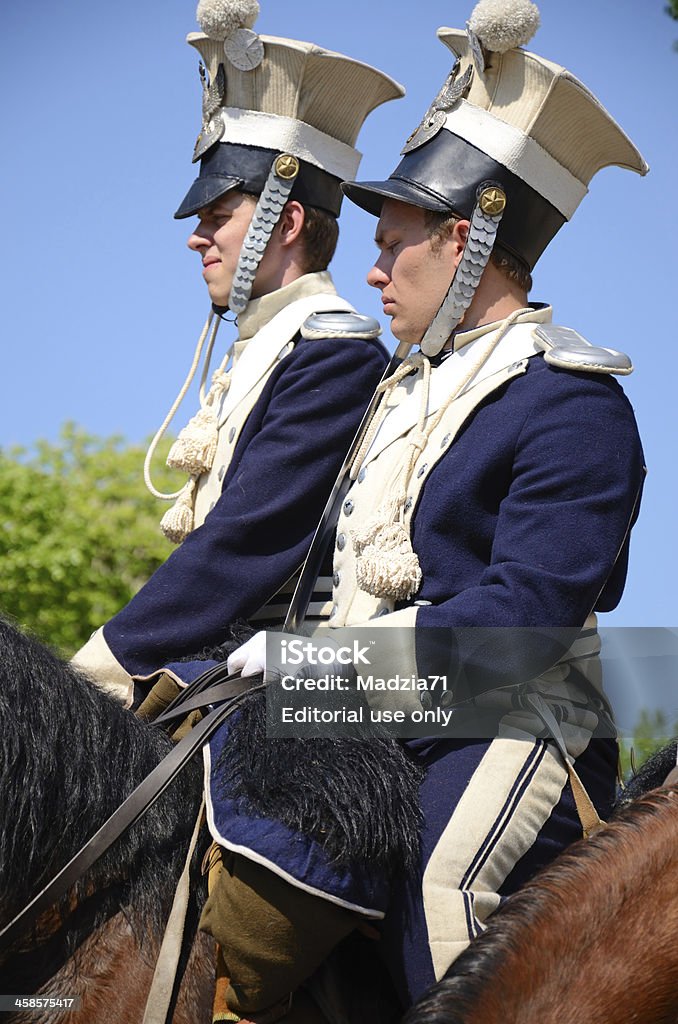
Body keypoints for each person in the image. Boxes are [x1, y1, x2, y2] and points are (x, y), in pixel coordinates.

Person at [214, 0, 648, 1016]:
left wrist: (311, 669)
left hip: (506, 708)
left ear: (464, 240)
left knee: (436, 886)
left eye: (392, 242)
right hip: (357, 705)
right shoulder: (394, 392)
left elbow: (523, 622)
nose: (369, 270)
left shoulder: (574, 403)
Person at [71, 0, 403, 704]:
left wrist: (100, 666)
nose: (198, 237)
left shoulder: (332, 353)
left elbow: (248, 540)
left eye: (219, 216)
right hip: (216, 662)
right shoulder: (265, 343)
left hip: (290, 673)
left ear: (284, 222)